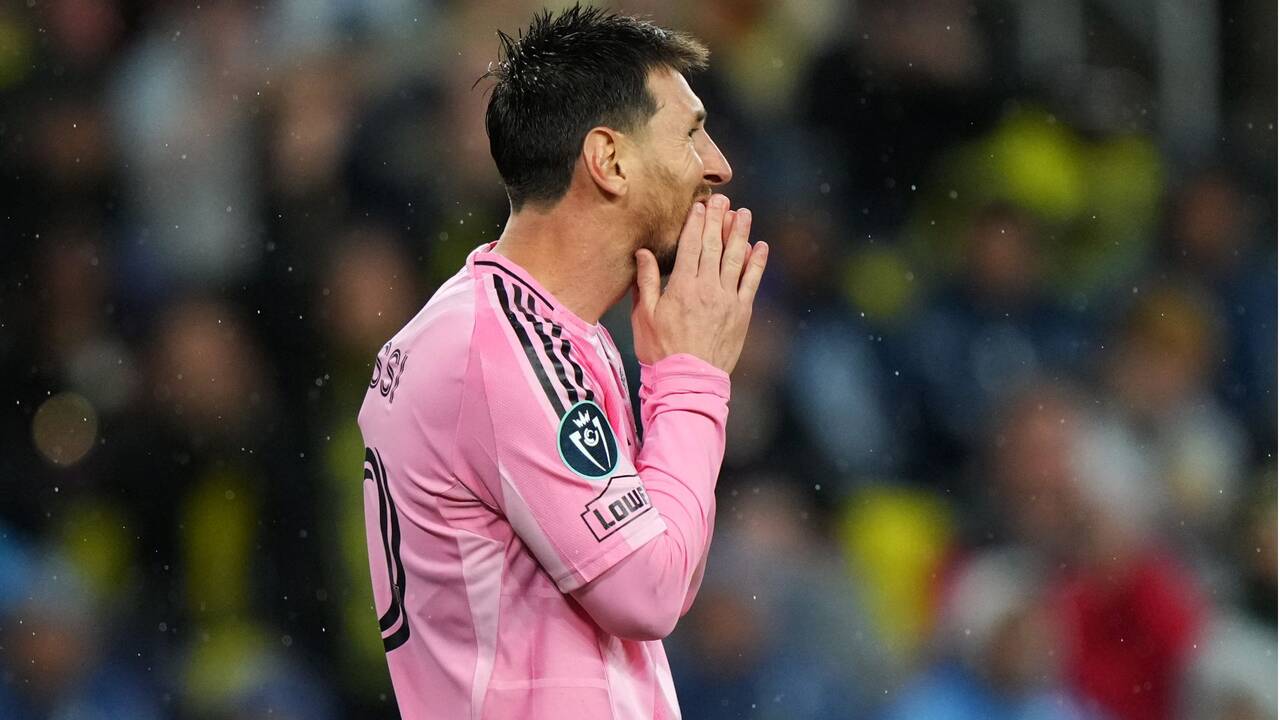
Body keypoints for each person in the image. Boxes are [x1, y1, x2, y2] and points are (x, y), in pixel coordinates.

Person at [355, 5, 769, 719]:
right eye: (691, 133)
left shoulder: (535, 332)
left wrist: (673, 380)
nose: (718, 165)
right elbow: (647, 592)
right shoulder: (501, 348)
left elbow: (663, 566)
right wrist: (692, 382)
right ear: (609, 160)